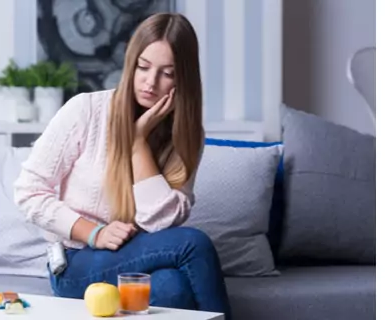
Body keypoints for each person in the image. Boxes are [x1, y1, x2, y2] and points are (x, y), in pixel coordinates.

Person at [13, 13, 232, 318]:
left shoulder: (187, 135)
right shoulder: (85, 110)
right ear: (130, 63)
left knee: (172, 288)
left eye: (166, 73)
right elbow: (28, 192)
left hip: (140, 258)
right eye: (143, 67)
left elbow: (159, 224)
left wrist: (138, 144)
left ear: (183, 77)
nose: (150, 82)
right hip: (75, 261)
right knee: (194, 244)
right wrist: (94, 233)